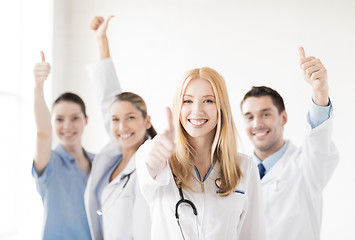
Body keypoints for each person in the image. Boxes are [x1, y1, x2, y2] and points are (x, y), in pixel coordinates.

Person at [136, 67, 266, 239]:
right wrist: (154, 155)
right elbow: (149, 162)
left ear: (221, 107)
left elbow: (253, 234)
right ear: (178, 107)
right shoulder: (160, 158)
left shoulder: (245, 166)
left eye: (208, 101)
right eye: (187, 101)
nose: (197, 110)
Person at [240, 47, 339, 240]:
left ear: (283, 118)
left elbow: (318, 139)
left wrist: (320, 92)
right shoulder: (235, 172)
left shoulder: (306, 166)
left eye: (266, 114)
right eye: (249, 116)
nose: (257, 124)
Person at [84, 16, 154, 240]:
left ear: (147, 121)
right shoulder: (113, 157)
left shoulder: (153, 162)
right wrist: (101, 39)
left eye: (131, 117)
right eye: (115, 120)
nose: (122, 127)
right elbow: (107, 97)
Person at [32, 52, 94, 240]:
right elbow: (42, 132)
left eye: (75, 118)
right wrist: (38, 87)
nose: (67, 126)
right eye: (59, 119)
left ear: (86, 120)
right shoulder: (50, 162)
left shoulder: (98, 161)